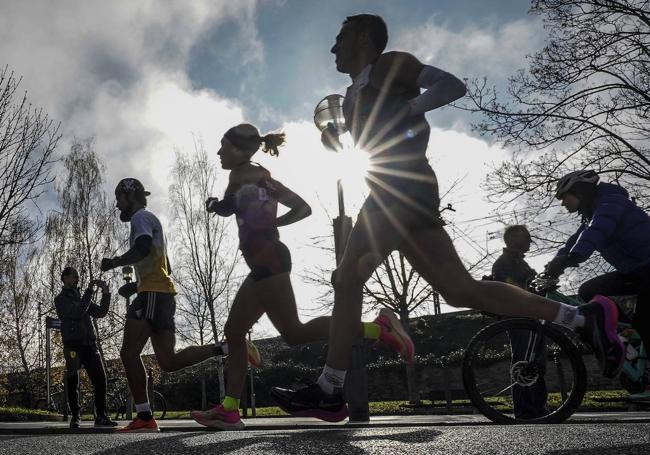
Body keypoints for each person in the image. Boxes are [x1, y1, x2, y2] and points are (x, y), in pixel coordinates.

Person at [270, 14, 624, 422]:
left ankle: (330, 389)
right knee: (459, 290)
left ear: (364, 38)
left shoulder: (389, 63)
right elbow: (369, 139)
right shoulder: (352, 94)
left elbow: (451, 85)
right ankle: (582, 318)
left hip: (399, 189)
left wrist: (411, 107)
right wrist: (337, 140)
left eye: (340, 37)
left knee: (347, 278)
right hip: (397, 190)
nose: (333, 47)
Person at [189, 124, 413, 430]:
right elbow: (303, 208)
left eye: (223, 145)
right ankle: (229, 409)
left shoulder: (240, 173)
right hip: (268, 258)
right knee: (234, 329)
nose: (218, 152)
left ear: (240, 150)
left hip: (267, 260)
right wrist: (272, 222)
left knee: (294, 332)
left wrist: (216, 205)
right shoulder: (267, 178)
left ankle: (377, 328)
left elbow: (228, 207)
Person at [100, 178, 258, 432]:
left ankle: (144, 417)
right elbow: (164, 266)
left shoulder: (141, 217)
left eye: (119, 198)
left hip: (152, 294)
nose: (117, 204)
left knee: (129, 354)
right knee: (168, 361)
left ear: (131, 196)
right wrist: (136, 285)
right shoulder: (151, 220)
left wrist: (116, 262)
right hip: (161, 294)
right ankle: (228, 348)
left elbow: (141, 248)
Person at [544, 170, 650, 403]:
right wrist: (555, 263)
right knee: (588, 291)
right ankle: (626, 333)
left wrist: (575, 256)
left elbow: (598, 229)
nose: (562, 203)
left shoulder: (611, 201)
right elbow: (576, 238)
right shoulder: (590, 214)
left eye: (564, 197)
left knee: (645, 320)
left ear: (580, 191)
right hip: (637, 271)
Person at [491, 225, 548, 419]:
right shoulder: (504, 263)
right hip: (518, 318)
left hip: (530, 317)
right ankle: (525, 410)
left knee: (535, 361)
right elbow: (509, 289)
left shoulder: (519, 262)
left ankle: (538, 407)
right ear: (515, 239)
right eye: (527, 238)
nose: (530, 241)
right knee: (523, 362)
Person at [54, 267, 117, 428]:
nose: (77, 278)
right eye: (74, 276)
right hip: (73, 346)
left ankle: (101, 415)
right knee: (73, 380)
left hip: (90, 345)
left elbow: (101, 312)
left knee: (100, 379)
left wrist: (106, 293)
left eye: (78, 276)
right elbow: (77, 312)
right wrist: (89, 291)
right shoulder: (60, 299)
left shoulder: (83, 298)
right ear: (65, 278)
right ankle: (75, 415)